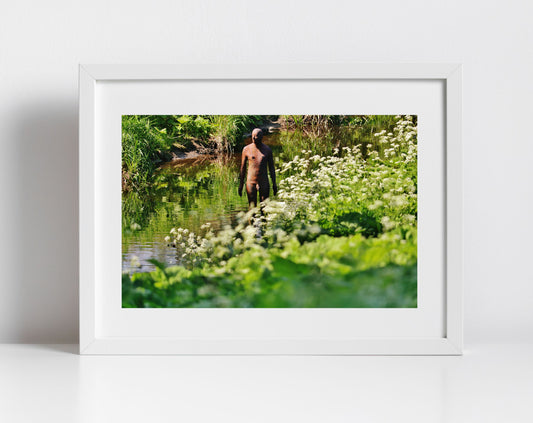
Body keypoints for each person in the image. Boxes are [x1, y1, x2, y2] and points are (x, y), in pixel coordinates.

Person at [238, 128, 277, 208]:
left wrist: (274, 184)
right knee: (252, 209)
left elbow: (271, 168)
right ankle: (251, 220)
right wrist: (241, 185)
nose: (254, 138)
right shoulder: (246, 150)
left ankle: (264, 220)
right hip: (251, 182)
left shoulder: (267, 150)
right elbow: (243, 168)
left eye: (256, 137)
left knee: (265, 209)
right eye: (252, 136)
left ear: (261, 137)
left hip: (264, 182)